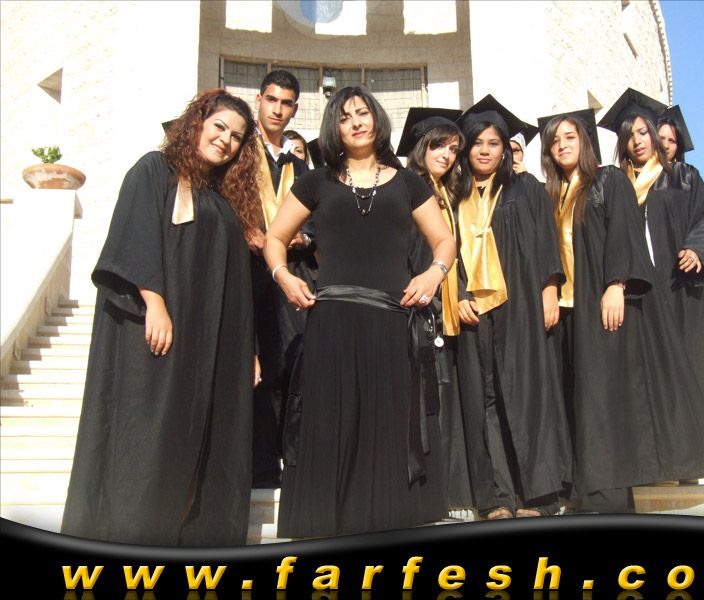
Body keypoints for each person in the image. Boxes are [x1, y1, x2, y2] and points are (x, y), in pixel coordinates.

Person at [61, 89, 262, 546]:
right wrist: (154, 303)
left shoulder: (223, 199)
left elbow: (236, 284)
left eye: (236, 137)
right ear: (197, 123)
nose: (226, 140)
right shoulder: (154, 171)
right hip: (156, 330)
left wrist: (246, 348)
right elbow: (136, 238)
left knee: (209, 437)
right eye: (219, 127)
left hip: (209, 341)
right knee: (150, 436)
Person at [264, 86, 456, 538]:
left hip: (391, 321)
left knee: (387, 426)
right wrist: (283, 276)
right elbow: (275, 238)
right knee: (332, 424)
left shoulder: (408, 182)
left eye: (363, 113)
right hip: (331, 324)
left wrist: (434, 275)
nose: (355, 122)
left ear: (377, 119)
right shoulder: (315, 182)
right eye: (345, 116)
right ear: (334, 126)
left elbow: (445, 240)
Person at [539, 108, 704, 512]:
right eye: (555, 141)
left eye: (570, 138)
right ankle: (583, 487)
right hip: (568, 310)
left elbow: (623, 234)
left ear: (585, 142)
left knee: (604, 396)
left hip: (614, 300)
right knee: (578, 396)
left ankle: (609, 495)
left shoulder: (610, 180)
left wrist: (616, 283)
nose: (563, 146)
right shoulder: (554, 193)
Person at [599, 88, 704, 465]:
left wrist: (696, 248)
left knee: (691, 369)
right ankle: (657, 459)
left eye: (644, 132)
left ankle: (697, 457)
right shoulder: (615, 183)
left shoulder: (682, 177)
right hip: (638, 295)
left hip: (678, 291)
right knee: (648, 379)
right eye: (630, 135)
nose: (638, 141)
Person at [453, 95, 571, 520]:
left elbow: (546, 241)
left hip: (520, 305)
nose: (485, 151)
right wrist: (457, 294)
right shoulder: (455, 193)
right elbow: (446, 251)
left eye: (494, 143)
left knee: (526, 393)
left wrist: (549, 290)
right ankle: (498, 496)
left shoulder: (525, 188)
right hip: (473, 309)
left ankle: (538, 495)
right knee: (484, 397)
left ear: (505, 149)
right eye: (477, 143)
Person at [398, 106, 474, 518]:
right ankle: (420, 498)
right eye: (439, 146)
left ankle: (443, 496)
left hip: (445, 313)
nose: (447, 154)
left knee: (440, 401)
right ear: (421, 148)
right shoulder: (407, 189)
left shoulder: (450, 195)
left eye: (453, 149)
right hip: (414, 306)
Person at [248, 70, 313, 489]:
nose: (277, 109)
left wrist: (306, 237)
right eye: (271, 99)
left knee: (292, 364)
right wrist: (246, 231)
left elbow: (317, 215)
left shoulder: (299, 164)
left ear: (295, 109)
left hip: (291, 273)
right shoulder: (240, 152)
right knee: (256, 368)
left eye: (286, 103)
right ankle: (260, 466)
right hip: (247, 271)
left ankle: (292, 459)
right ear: (258, 100)